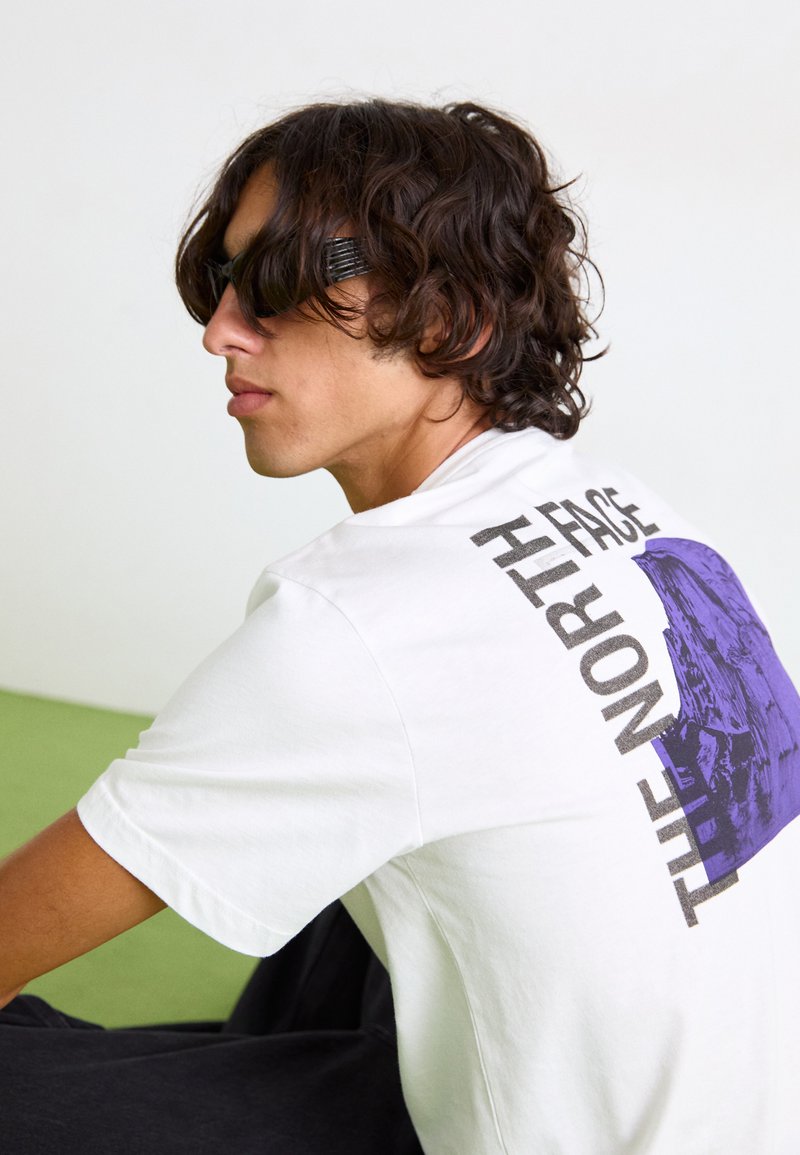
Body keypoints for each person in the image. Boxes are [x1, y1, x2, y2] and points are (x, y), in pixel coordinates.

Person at [1, 96, 798, 1154]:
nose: (220, 330)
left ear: (450, 322)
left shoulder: (361, 625)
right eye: (227, 280)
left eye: (280, 285)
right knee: (369, 813)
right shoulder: (636, 514)